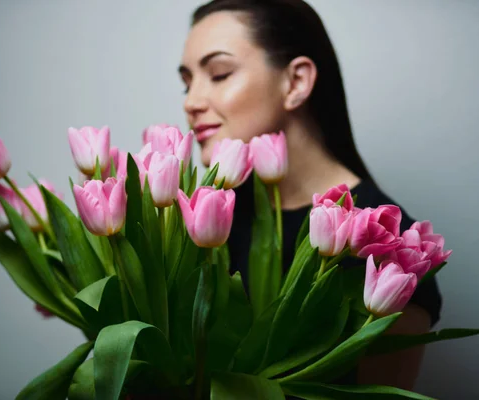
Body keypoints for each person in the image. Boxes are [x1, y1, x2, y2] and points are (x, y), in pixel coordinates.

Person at [178, 0, 442, 391]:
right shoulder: (213, 217)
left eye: (218, 74)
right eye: (186, 82)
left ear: (296, 82)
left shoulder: (391, 245)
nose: (191, 102)